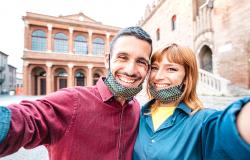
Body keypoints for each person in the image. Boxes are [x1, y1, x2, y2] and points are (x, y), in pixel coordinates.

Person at [0, 26, 152, 160]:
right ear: (107, 60)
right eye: (122, 57)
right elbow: (26, 119)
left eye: (141, 62)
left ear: (148, 68)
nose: (131, 70)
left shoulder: (137, 109)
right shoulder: (72, 101)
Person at [133, 43, 250, 160]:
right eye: (154, 68)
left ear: (187, 77)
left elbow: (229, 133)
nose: (158, 76)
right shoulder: (138, 114)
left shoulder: (203, 121)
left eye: (171, 69)